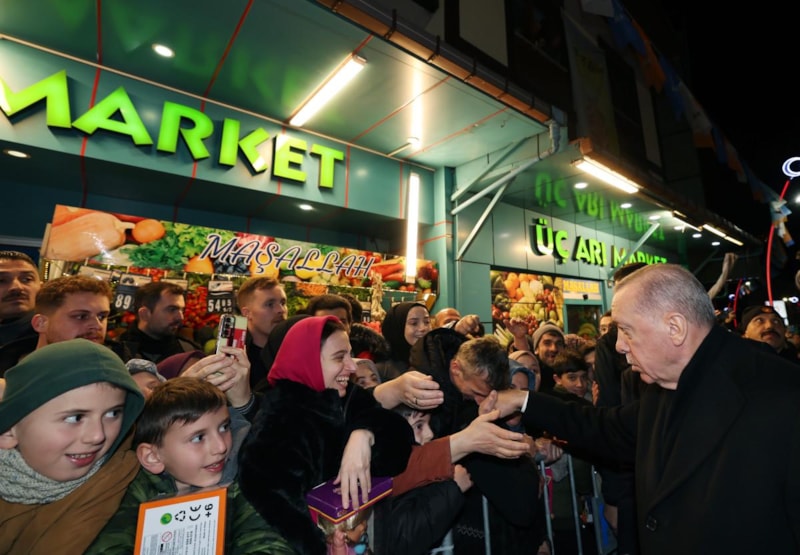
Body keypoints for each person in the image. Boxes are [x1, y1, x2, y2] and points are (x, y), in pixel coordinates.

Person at [484, 263, 800, 554]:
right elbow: (603, 427)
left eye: (627, 330)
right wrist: (523, 400)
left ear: (675, 328)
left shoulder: (782, 396)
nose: (619, 345)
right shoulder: (662, 389)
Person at [238, 315, 414, 555]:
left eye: (350, 354)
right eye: (339, 357)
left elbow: (400, 446)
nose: (352, 366)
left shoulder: (347, 396)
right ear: (307, 360)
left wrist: (363, 434)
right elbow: (278, 507)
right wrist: (325, 546)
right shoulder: (280, 421)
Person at [85, 377, 294, 555]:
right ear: (153, 457)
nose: (221, 447)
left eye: (224, 427)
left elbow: (269, 543)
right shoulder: (131, 490)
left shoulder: (246, 480)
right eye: (198, 438)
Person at [0, 339, 144, 554]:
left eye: (113, 413)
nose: (97, 435)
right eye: (75, 417)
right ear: (9, 432)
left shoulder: (128, 485)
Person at [0, 274, 125, 375]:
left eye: (102, 316)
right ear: (40, 323)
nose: (97, 325)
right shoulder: (8, 375)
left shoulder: (119, 375)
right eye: (81, 316)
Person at [116, 281, 201, 364]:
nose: (180, 317)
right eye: (172, 309)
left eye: (182, 310)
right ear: (145, 314)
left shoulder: (190, 353)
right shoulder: (117, 352)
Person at [235, 276, 288, 390]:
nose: (281, 310)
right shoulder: (232, 357)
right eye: (270, 304)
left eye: (283, 303)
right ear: (247, 313)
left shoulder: (296, 350)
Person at [376, 301, 432, 381]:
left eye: (427, 322)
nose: (423, 328)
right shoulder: (381, 371)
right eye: (414, 323)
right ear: (397, 328)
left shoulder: (438, 360)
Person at [0, 251, 41, 348]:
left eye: (27, 279)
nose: (17, 287)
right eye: (1, 280)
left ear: (42, 287)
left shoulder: (58, 338)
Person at [531, 322, 565, 392]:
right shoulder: (532, 377)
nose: (554, 349)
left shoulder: (570, 372)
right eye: (547, 343)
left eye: (559, 343)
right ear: (536, 349)